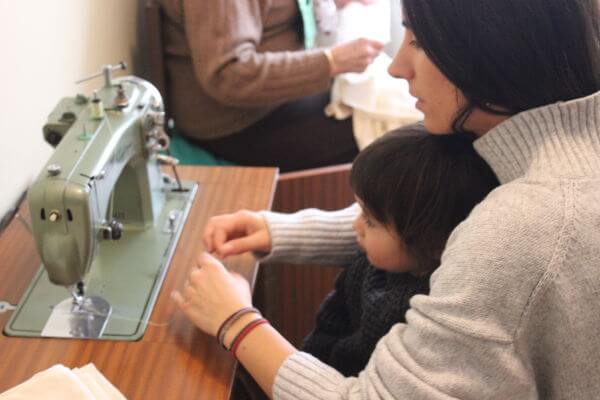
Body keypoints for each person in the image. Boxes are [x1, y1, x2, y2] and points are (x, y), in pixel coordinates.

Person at [172, 0, 600, 398]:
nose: (397, 67)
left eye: (418, 41)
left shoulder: (523, 228)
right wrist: (279, 230)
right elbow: (428, 220)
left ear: (492, 51)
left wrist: (237, 323)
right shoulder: (522, 151)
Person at [303, 126, 499, 377]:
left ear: (431, 243)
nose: (356, 226)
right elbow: (329, 326)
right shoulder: (366, 265)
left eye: (370, 221)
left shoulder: (421, 310)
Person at [158, 0, 384, 172]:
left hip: (273, 100)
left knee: (395, 102)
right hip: (236, 121)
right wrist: (330, 62)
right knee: (391, 134)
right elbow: (228, 74)